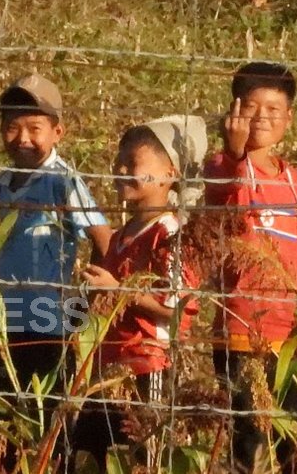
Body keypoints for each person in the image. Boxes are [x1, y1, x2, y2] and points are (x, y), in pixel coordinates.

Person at [0, 73, 113, 469]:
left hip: (49, 322)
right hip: (6, 321)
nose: (22, 138)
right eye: (12, 127)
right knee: (5, 420)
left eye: (34, 128)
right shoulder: (3, 182)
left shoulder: (63, 181)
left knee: (46, 422)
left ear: (58, 132)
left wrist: (87, 301)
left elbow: (102, 238)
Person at [204, 62, 297, 474]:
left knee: (296, 446)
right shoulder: (221, 168)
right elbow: (230, 221)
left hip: (293, 338)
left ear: (289, 117)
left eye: (273, 109)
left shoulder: (294, 180)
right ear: (233, 111)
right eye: (252, 107)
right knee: (250, 445)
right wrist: (236, 155)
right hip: (243, 334)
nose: (261, 118)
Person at [75, 116, 205, 470]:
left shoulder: (169, 233)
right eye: (118, 161)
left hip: (146, 369)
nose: (120, 170)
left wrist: (119, 291)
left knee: (139, 461)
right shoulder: (121, 236)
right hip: (107, 369)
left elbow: (179, 309)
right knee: (85, 458)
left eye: (132, 163)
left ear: (169, 174)